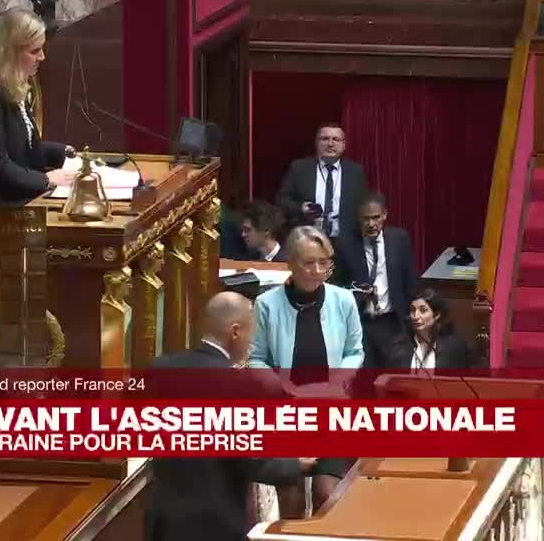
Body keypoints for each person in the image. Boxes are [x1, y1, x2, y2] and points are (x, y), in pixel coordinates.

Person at [147, 292, 318, 541]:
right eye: (251, 332)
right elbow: (250, 460)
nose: (252, 342)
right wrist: (297, 463)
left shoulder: (160, 369)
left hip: (164, 521)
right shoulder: (240, 383)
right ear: (235, 332)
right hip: (214, 525)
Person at [248, 225, 363, 517]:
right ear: (290, 263)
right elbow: (255, 358)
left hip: (330, 408)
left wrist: (338, 381)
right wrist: (281, 386)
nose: (317, 271)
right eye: (309, 263)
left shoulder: (343, 300)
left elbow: (355, 352)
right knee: (292, 499)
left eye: (323, 263)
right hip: (287, 410)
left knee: (328, 495)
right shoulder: (266, 304)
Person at [0, 7, 78, 205]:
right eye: (34, 51)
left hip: (13, 197)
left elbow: (21, 149)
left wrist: (65, 154)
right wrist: (46, 180)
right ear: (8, 53)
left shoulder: (10, 85)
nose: (42, 57)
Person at [333, 193, 418, 368]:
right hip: (361, 323)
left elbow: (410, 280)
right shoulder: (345, 244)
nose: (371, 224)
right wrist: (357, 293)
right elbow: (337, 286)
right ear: (358, 218)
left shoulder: (399, 239)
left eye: (376, 217)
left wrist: (410, 320)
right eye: (366, 219)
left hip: (393, 321)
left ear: (385, 215)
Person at [276, 123, 368, 241]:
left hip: (346, 240)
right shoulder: (300, 168)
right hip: (308, 238)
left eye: (336, 139)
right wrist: (301, 207)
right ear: (316, 143)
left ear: (344, 145)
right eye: (325, 139)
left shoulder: (355, 171)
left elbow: (363, 204)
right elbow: (281, 200)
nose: (330, 144)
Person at [385, 289, 473, 371]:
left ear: (437, 314)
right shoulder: (399, 346)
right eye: (413, 310)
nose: (416, 316)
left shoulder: (453, 347)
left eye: (423, 310)